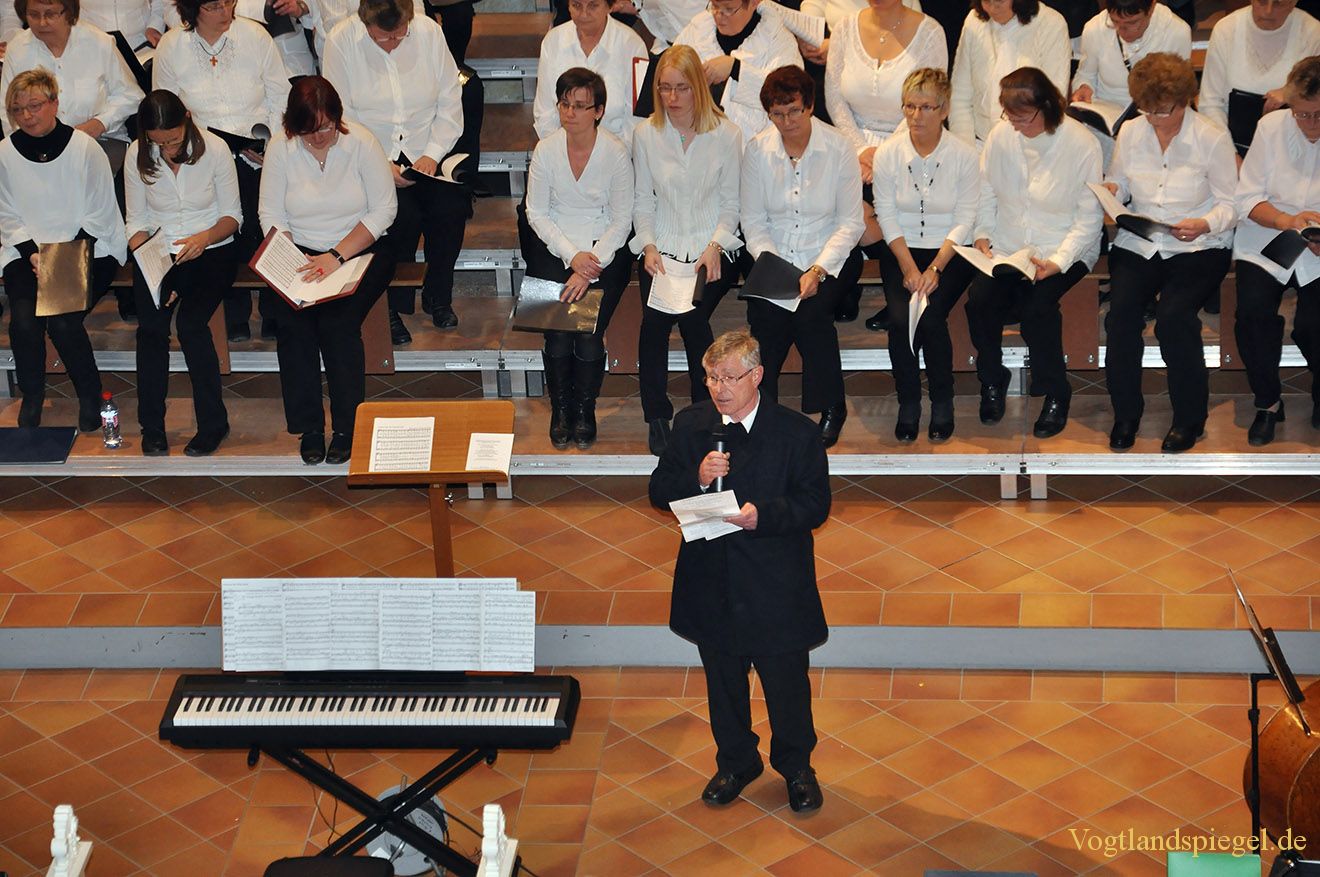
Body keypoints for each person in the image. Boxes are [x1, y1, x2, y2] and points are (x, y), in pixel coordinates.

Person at [648, 329, 830, 815]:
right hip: (714, 580)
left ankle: (796, 767)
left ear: (757, 375)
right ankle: (736, 762)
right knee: (723, 683)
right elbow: (659, 489)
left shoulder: (796, 432)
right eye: (711, 377)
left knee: (786, 685)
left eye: (729, 377)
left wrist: (761, 516)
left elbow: (815, 504)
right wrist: (696, 477)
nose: (719, 388)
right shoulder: (692, 425)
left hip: (774, 582)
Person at [258, 76, 398, 465]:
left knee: (338, 324)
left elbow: (384, 210)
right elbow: (270, 212)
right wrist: (291, 256)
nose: (318, 138)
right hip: (301, 252)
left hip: (358, 248)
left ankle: (348, 427)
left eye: (325, 127)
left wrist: (336, 256)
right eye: (308, 132)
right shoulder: (281, 148)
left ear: (337, 117)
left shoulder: (362, 143)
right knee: (293, 324)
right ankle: (310, 428)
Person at [1102, 54, 1236, 454]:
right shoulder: (1131, 130)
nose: (1156, 119)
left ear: (1185, 101)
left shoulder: (1211, 136)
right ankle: (1126, 413)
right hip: (1143, 241)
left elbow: (1232, 203)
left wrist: (1204, 223)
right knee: (1120, 316)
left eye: (1164, 111)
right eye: (1148, 110)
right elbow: (1120, 180)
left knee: (1174, 318)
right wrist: (1113, 191)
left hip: (1197, 245)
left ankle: (1189, 418)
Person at [966, 66, 1102, 438]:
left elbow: (1089, 219)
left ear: (1048, 107)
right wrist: (982, 234)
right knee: (979, 302)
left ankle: (1056, 391)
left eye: (1023, 118)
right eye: (1009, 117)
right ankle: (992, 380)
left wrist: (1058, 261)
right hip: (1009, 247)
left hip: (1063, 247)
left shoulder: (1081, 144)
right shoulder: (1001, 136)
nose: (1015, 125)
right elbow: (986, 191)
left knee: (1037, 309)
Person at [323, 0, 467, 338]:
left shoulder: (428, 32)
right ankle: (389, 305)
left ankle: (438, 295)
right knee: (399, 216)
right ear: (365, 23)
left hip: (426, 152)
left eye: (400, 34)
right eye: (384, 38)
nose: (393, 43)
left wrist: (432, 154)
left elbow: (449, 99)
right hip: (370, 156)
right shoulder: (341, 41)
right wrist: (379, 164)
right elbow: (341, 114)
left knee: (451, 209)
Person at [154, 0, 291, 342]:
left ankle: (275, 308)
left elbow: (280, 97)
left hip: (255, 152)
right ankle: (234, 311)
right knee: (221, 224)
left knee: (266, 220)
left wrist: (270, 146)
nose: (225, 11)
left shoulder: (255, 36)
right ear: (192, 8)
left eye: (228, 2)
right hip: (202, 157)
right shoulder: (172, 46)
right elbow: (167, 109)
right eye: (214, 6)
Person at [741, 65, 862, 447]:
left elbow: (851, 223)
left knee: (812, 316)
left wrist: (817, 270)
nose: (787, 121)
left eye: (794, 110)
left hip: (830, 256)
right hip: (775, 257)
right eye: (777, 113)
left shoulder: (838, 147)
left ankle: (831, 406)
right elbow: (753, 223)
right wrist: (777, 270)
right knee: (766, 321)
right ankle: (762, 410)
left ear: (809, 106)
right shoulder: (757, 151)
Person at [631, 45, 744, 457]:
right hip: (661, 246)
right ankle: (656, 416)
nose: (672, 97)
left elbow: (732, 206)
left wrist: (713, 246)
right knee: (653, 324)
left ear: (698, 86)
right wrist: (648, 246)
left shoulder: (727, 135)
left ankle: (704, 412)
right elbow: (642, 202)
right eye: (664, 88)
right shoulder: (646, 134)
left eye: (681, 88)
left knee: (694, 318)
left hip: (712, 247)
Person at [0, 70, 126, 430]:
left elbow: (100, 212)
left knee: (62, 321)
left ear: (55, 103)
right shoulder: (5, 153)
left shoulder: (84, 149)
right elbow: (6, 213)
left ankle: (90, 395)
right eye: (18, 109)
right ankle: (32, 396)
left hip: (87, 248)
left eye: (35, 106)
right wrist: (33, 253)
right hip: (27, 251)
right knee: (24, 322)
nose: (27, 116)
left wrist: (58, 259)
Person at [521, 68, 633, 450]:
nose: (570, 113)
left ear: (598, 111)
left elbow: (622, 220)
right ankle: (560, 409)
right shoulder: (545, 149)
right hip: (553, 248)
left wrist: (589, 265)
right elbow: (536, 213)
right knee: (556, 335)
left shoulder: (616, 152)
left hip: (604, 252)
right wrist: (572, 257)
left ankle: (584, 410)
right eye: (565, 104)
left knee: (587, 335)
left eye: (580, 106)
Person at [125, 90, 241, 457]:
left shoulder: (216, 150)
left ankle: (213, 423)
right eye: (158, 142)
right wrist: (154, 263)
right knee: (151, 329)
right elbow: (136, 223)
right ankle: (152, 426)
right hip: (158, 251)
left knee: (191, 326)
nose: (168, 148)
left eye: (173, 139)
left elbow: (232, 217)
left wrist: (204, 238)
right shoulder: (136, 153)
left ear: (187, 118)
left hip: (212, 249)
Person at [872, 68, 979, 442]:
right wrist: (908, 267)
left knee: (930, 315)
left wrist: (934, 268)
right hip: (901, 249)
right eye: (909, 106)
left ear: (944, 109)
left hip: (950, 250)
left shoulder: (965, 155)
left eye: (926, 107)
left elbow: (965, 218)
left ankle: (942, 401)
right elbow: (886, 214)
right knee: (901, 319)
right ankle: (908, 402)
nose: (916, 116)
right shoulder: (888, 154)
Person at [1232, 56, 1320, 446]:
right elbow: (1247, 198)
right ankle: (1267, 402)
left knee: (1314, 325)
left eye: (1318, 115)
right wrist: (1287, 220)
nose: (1310, 124)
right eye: (1302, 114)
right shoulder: (1271, 127)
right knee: (1252, 314)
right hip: (1268, 237)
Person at [0, 0, 144, 170]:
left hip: (100, 142)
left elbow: (131, 96)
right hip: (38, 148)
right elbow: (7, 109)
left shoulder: (99, 42)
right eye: (33, 15)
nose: (42, 22)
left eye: (50, 14)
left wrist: (100, 123)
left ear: (68, 12)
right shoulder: (17, 50)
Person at [1199, 0, 1320, 155]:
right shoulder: (1226, 29)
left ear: (1293, 3)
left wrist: (1292, 92)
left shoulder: (1312, 32)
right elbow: (1210, 104)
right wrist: (1229, 154)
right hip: (1231, 145)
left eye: (1279, 4)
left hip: (1291, 147)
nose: (1268, 11)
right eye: (1262, 2)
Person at [673, 0, 802, 141]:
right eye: (715, 6)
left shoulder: (780, 42)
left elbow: (789, 98)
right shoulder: (696, 31)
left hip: (755, 147)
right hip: (697, 142)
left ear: (754, 3)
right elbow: (670, 77)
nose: (718, 15)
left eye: (729, 9)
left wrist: (736, 69)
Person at [948, 0, 1069, 146]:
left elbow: (1052, 103)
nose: (992, 8)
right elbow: (959, 97)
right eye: (986, 1)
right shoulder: (974, 21)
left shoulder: (1051, 24)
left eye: (1000, 1)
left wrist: (1009, 151)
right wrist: (966, 149)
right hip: (979, 142)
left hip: (1031, 144)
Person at [533, 0, 646, 149]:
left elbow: (637, 119)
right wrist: (562, 153)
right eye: (577, 6)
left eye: (593, 5)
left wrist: (612, 155)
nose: (584, 14)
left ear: (610, 6)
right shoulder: (552, 42)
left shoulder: (634, 46)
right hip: (562, 151)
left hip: (617, 152)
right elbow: (544, 114)